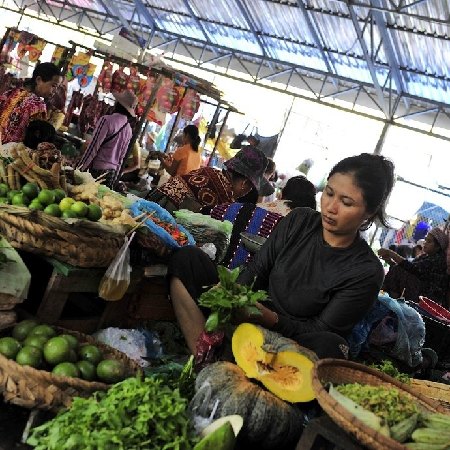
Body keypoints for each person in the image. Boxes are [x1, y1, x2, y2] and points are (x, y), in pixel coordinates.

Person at [168, 153, 395, 359]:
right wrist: (232, 297)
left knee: (330, 345)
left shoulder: (366, 271)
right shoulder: (300, 220)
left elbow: (321, 330)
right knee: (189, 259)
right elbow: (254, 272)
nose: (330, 207)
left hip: (289, 344)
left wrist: (266, 317)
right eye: (329, 193)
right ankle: (204, 357)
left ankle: (248, 366)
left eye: (346, 202)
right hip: (248, 314)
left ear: (369, 213)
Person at [146, 146, 268, 214]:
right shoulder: (224, 202)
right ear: (244, 184)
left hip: (149, 204)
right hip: (156, 223)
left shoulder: (209, 171)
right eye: (250, 187)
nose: (248, 191)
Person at [77, 90, 137, 188]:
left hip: (97, 170)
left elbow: (93, 147)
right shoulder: (129, 129)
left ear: (117, 104)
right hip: (111, 174)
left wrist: (79, 169)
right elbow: (121, 158)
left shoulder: (107, 120)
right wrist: (115, 179)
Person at [378, 228, 449, 305]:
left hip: (427, 296)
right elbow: (407, 267)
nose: (425, 244)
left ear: (438, 247)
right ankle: (387, 299)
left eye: (429, 242)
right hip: (418, 289)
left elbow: (412, 268)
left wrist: (391, 253)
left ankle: (390, 301)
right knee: (398, 270)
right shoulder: (426, 256)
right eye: (425, 240)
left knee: (398, 271)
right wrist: (389, 261)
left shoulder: (437, 259)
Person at [0, 62, 61, 144]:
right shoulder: (38, 105)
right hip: (11, 153)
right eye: (53, 86)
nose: (55, 91)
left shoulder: (10, 93)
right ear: (38, 80)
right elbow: (36, 139)